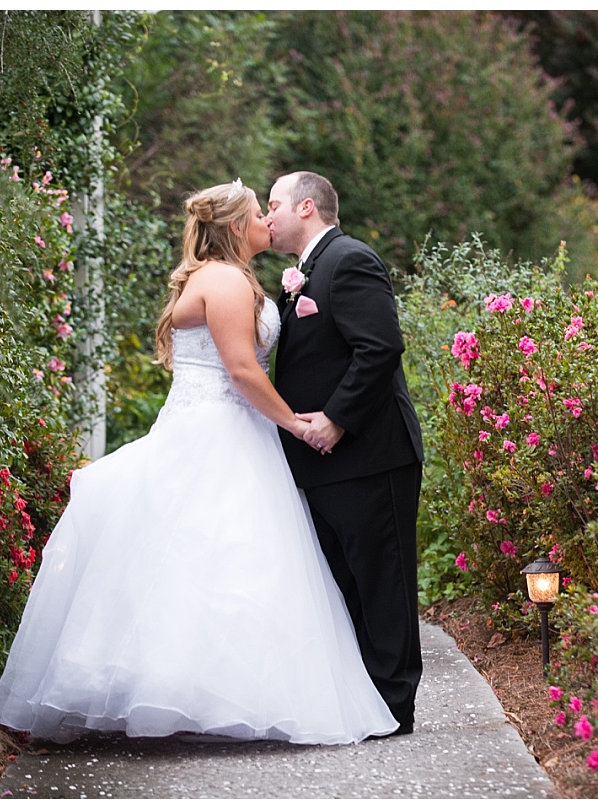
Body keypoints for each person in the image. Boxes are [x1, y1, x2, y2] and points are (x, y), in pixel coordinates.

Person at [0, 179, 399, 745]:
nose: (268, 221)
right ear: (236, 227)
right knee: (218, 557)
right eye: (260, 212)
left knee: (207, 560)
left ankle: (201, 690)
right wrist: (296, 423)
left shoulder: (228, 277)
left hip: (226, 426)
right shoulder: (227, 280)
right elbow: (242, 370)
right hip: (220, 428)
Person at [265, 171, 425, 735]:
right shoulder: (307, 271)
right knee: (345, 584)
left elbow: (379, 348)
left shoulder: (349, 260)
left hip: (369, 453)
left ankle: (394, 706)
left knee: (383, 581)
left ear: (305, 207)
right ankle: (365, 702)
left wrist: (335, 420)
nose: (268, 216)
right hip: (324, 462)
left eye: (274, 204)